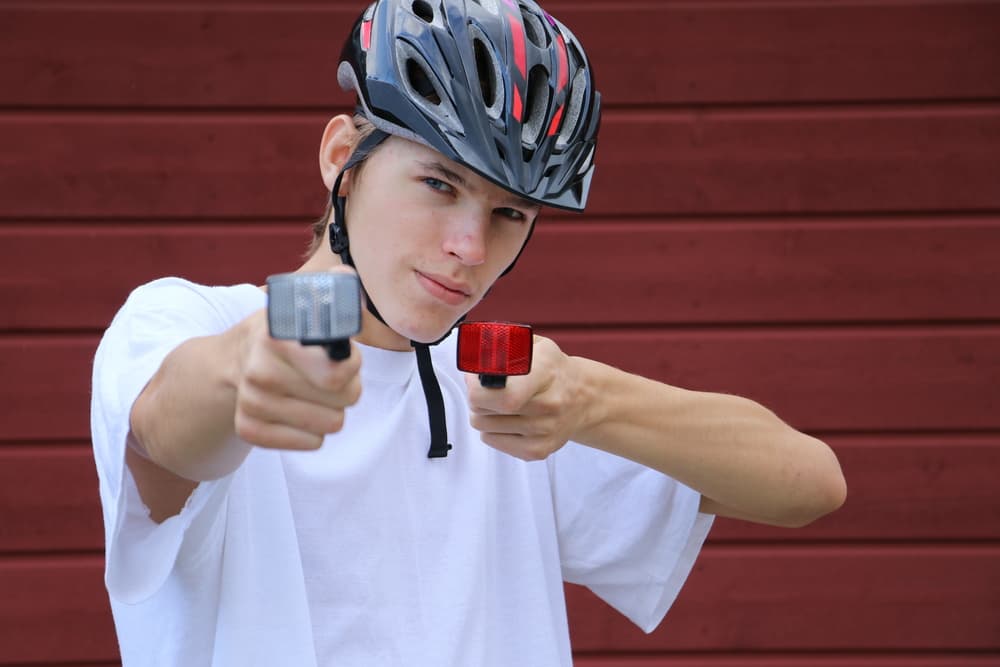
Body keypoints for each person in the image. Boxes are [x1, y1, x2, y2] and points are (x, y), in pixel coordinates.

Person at [90, 0, 847, 665]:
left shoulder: (515, 392)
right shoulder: (189, 320)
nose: (470, 247)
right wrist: (262, 358)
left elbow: (810, 482)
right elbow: (162, 430)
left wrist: (589, 398)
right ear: (339, 160)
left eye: (508, 213)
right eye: (438, 184)